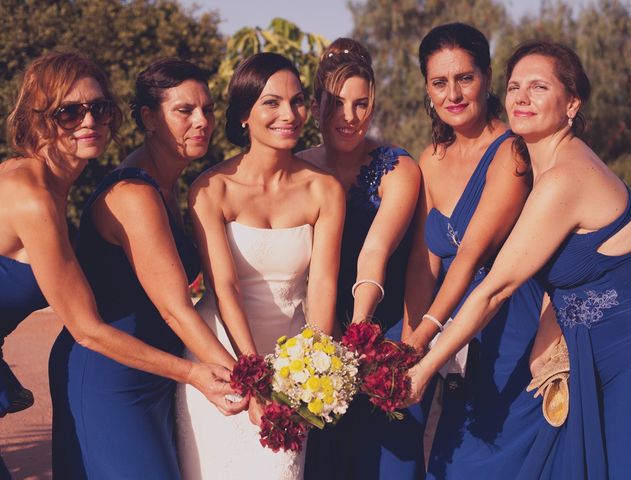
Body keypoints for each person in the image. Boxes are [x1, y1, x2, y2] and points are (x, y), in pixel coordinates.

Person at [407, 39, 631, 479]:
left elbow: (497, 287)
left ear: (572, 103)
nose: (521, 98)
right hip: (587, 356)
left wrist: (424, 368)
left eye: (538, 87)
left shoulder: (565, 177)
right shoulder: (542, 168)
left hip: (625, 359)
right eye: (515, 87)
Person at [48, 57, 247, 479]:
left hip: (154, 372)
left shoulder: (172, 185)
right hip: (110, 375)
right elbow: (175, 307)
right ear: (148, 118)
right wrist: (246, 381)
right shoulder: (133, 193)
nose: (202, 122)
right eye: (184, 111)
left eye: (207, 110)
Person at [175, 52, 344, 480]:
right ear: (244, 115)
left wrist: (313, 371)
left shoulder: (324, 190)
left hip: (293, 370)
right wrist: (252, 384)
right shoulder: (210, 190)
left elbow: (323, 284)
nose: (288, 114)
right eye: (271, 102)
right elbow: (224, 287)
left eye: (297, 101)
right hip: (224, 366)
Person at [401, 23, 546, 479]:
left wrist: (423, 340)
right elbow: (423, 262)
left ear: (486, 77)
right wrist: (407, 338)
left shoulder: (512, 154)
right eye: (440, 82)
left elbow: (468, 257)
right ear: (427, 88)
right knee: (446, 461)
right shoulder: (429, 158)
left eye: (465, 77)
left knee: (487, 462)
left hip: (506, 329)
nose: (453, 93)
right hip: (450, 327)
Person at [300, 38, 422, 479]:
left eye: (361, 104)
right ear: (314, 106)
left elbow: (375, 248)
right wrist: (318, 347)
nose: (349, 118)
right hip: (313, 341)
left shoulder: (398, 169)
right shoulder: (297, 170)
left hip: (378, 335)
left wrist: (357, 336)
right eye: (336, 103)